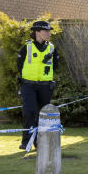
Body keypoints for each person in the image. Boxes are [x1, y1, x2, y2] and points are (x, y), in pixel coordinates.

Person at [17, 20, 60, 150]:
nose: (48, 33)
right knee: (29, 113)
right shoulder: (27, 47)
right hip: (28, 85)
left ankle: (40, 142)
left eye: (49, 31)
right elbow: (19, 65)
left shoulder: (52, 48)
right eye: (45, 31)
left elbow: (55, 66)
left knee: (43, 115)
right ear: (37, 32)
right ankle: (26, 141)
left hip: (45, 86)